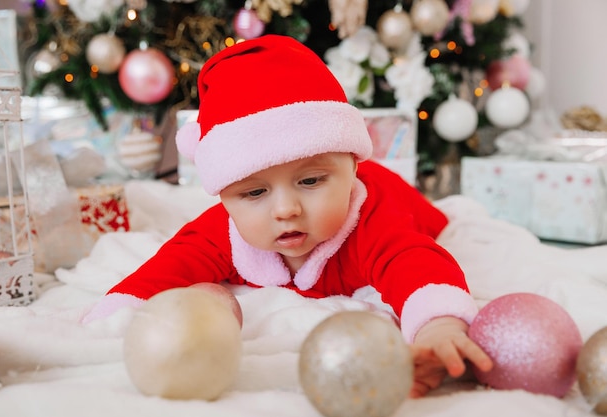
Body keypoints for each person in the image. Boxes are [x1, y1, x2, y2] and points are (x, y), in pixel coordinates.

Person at [84, 34, 492, 397]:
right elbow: (166, 268)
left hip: (397, 197)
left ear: (352, 168)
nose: (286, 209)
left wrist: (439, 325)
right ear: (224, 196)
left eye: (311, 181)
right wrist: (115, 317)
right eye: (255, 192)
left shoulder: (370, 220)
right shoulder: (222, 230)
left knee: (427, 221)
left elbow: (415, 262)